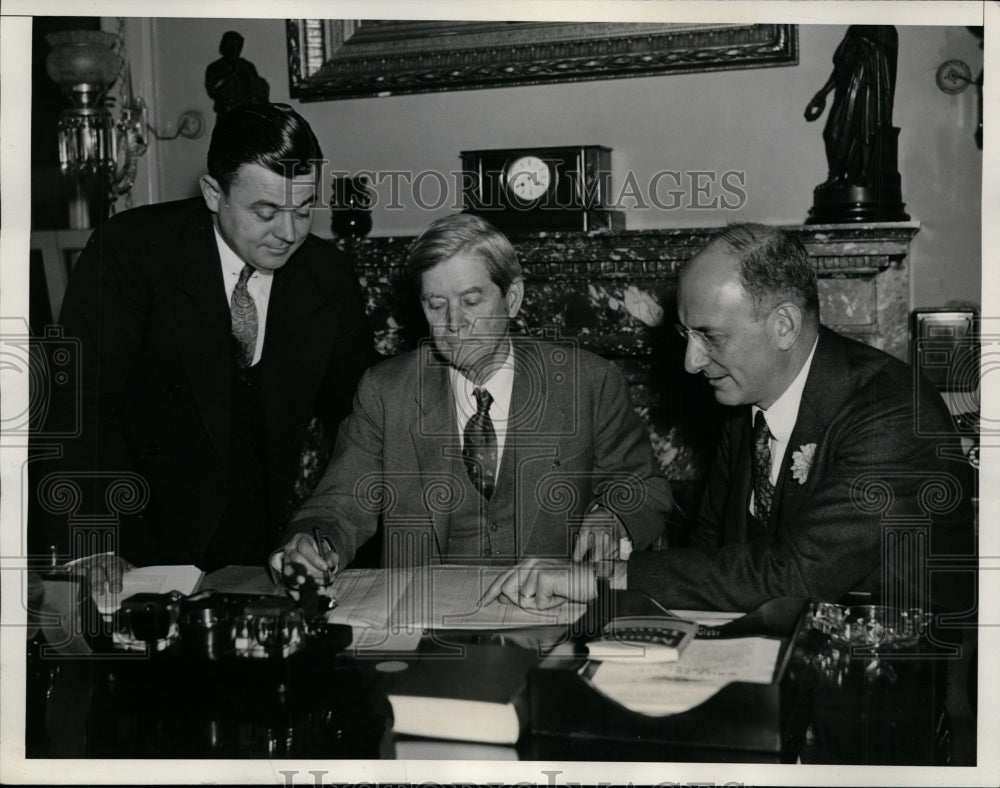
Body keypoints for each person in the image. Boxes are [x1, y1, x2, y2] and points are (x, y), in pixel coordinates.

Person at [482, 223, 975, 616]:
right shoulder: (746, 401)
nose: (691, 363)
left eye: (710, 337)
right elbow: (710, 548)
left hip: (893, 675)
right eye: (685, 336)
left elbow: (796, 576)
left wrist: (601, 581)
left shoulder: (892, 412)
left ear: (783, 325)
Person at [35, 102, 374, 592]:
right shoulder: (132, 251)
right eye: (266, 211)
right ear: (214, 193)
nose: (290, 232)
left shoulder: (327, 276)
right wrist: (94, 543)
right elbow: (77, 408)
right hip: (134, 535)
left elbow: (360, 409)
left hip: (254, 543)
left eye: (304, 209)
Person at [278, 213, 671, 580]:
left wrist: (611, 517)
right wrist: (314, 543)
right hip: (426, 624)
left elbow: (644, 488)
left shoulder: (588, 382)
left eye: (471, 302)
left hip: (548, 614)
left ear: (512, 298)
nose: (453, 324)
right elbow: (339, 506)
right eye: (436, 305)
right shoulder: (386, 392)